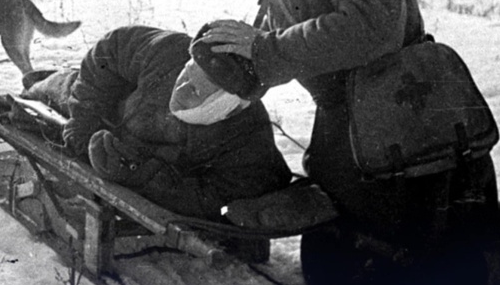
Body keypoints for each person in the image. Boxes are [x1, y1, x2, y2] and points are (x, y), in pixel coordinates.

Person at [194, 0, 500, 285]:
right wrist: (223, 67)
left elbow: (371, 26)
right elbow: (265, 58)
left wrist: (266, 49)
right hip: (358, 151)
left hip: (416, 147)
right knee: (334, 270)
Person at [21, 24, 323, 228]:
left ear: (232, 107)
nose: (182, 88)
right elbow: (107, 52)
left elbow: (211, 198)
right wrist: (81, 127)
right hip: (112, 104)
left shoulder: (247, 140)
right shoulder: (169, 51)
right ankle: (37, 81)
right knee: (50, 89)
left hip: (146, 154)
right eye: (188, 74)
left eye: (198, 90)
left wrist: (142, 176)